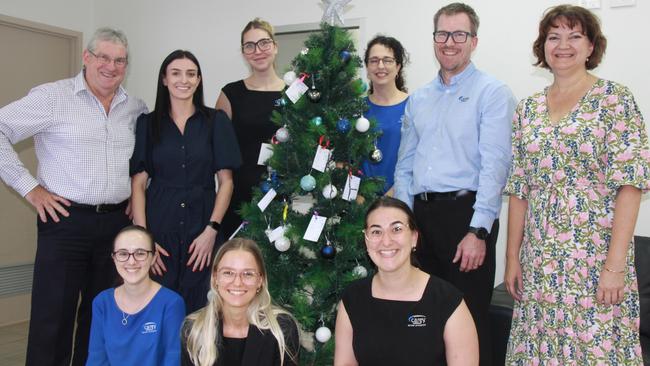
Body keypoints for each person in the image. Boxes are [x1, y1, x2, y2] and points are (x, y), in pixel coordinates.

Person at [504, 5, 649, 364]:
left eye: (574, 36)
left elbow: (630, 185)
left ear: (591, 47)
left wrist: (615, 267)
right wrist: (512, 258)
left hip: (594, 259)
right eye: (554, 36)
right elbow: (521, 189)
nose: (563, 45)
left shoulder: (615, 99)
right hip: (540, 262)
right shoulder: (528, 109)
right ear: (542, 47)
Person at [0, 27, 147, 365]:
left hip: (115, 226)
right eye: (104, 58)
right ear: (86, 57)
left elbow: (145, 163)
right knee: (52, 320)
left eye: (120, 60)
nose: (111, 67)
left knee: (103, 318)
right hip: (65, 222)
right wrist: (30, 188)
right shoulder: (53, 97)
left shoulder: (135, 108)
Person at [393, 3, 516, 364]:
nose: (449, 42)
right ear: (434, 39)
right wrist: (403, 223)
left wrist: (479, 230)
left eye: (459, 34)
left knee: (468, 322)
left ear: (473, 41)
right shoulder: (419, 98)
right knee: (422, 320)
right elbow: (405, 166)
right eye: (442, 34)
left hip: (466, 219)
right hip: (421, 218)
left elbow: (496, 166)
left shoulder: (492, 93)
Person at [131, 50, 241, 314]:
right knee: (158, 314)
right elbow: (138, 185)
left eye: (191, 74)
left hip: (202, 233)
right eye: (176, 73)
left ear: (199, 79)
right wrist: (144, 240)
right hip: (159, 233)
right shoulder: (147, 123)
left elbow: (226, 182)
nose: (184, 80)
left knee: (203, 313)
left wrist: (212, 230)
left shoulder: (216, 122)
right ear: (164, 80)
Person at [334, 196, 479, 366]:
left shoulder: (447, 301)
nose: (386, 241)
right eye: (376, 231)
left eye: (396, 229)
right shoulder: (352, 299)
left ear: (414, 237)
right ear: (366, 241)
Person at [216, 18, 285, 239]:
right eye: (249, 45)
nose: (258, 51)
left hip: (281, 196)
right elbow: (218, 152)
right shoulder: (230, 94)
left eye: (264, 43)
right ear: (244, 52)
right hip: (238, 199)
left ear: (275, 46)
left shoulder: (295, 94)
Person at [181, 238, 300, 366]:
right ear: (215, 278)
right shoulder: (194, 328)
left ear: (260, 280)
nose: (237, 282)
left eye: (248, 274)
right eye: (228, 273)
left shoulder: (282, 328)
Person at [87, 225, 186, 365]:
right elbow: (96, 359)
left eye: (140, 253)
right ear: (114, 258)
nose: (131, 261)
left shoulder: (171, 303)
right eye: (123, 253)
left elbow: (173, 359)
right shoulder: (102, 302)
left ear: (153, 257)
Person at [360, 35, 409, 196]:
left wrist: (391, 196)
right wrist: (359, 196)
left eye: (387, 60)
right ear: (367, 68)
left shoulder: (414, 106)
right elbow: (347, 159)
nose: (380, 66)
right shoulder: (356, 109)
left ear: (398, 66)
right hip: (360, 203)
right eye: (374, 60)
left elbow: (419, 159)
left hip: (401, 198)